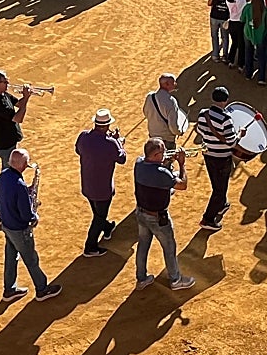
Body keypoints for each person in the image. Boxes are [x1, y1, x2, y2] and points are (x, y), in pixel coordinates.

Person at [0, 148, 61, 302]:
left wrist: (26, 193)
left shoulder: (3, 176)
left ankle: (9, 289)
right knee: (31, 259)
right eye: (26, 163)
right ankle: (42, 289)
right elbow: (26, 215)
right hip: (19, 229)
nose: (27, 166)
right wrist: (34, 216)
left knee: (11, 256)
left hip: (7, 224)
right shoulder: (19, 184)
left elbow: (2, 198)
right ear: (21, 164)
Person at [133, 138, 196, 291]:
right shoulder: (162, 174)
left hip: (141, 213)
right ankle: (176, 279)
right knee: (169, 248)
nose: (166, 154)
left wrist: (166, 160)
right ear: (155, 155)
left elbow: (156, 172)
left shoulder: (139, 163)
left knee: (143, 245)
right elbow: (182, 184)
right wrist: (182, 164)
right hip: (157, 218)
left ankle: (141, 278)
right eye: (162, 152)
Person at [75, 108, 127, 257]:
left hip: (87, 185)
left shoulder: (83, 137)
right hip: (103, 189)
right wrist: (119, 142)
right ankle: (90, 246)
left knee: (98, 213)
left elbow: (78, 150)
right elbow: (122, 158)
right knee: (98, 217)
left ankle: (107, 228)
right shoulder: (111, 143)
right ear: (107, 126)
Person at [0, 70, 33, 223]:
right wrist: (26, 98)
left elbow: (18, 103)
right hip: (4, 145)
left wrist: (24, 99)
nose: (8, 84)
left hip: (9, 142)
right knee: (7, 178)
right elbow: (18, 117)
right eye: (5, 82)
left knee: (8, 176)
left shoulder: (3, 95)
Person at [195, 86, 236, 232]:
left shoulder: (202, 114)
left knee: (216, 183)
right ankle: (208, 218)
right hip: (222, 158)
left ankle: (221, 204)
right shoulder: (226, 120)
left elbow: (199, 130)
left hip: (208, 155)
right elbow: (231, 142)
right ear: (225, 101)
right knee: (220, 188)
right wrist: (240, 135)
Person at [143, 73, 184, 150]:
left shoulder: (150, 97)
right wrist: (179, 132)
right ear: (167, 84)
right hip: (167, 140)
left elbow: (146, 113)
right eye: (173, 82)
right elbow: (173, 126)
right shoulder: (171, 101)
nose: (175, 84)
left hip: (153, 138)